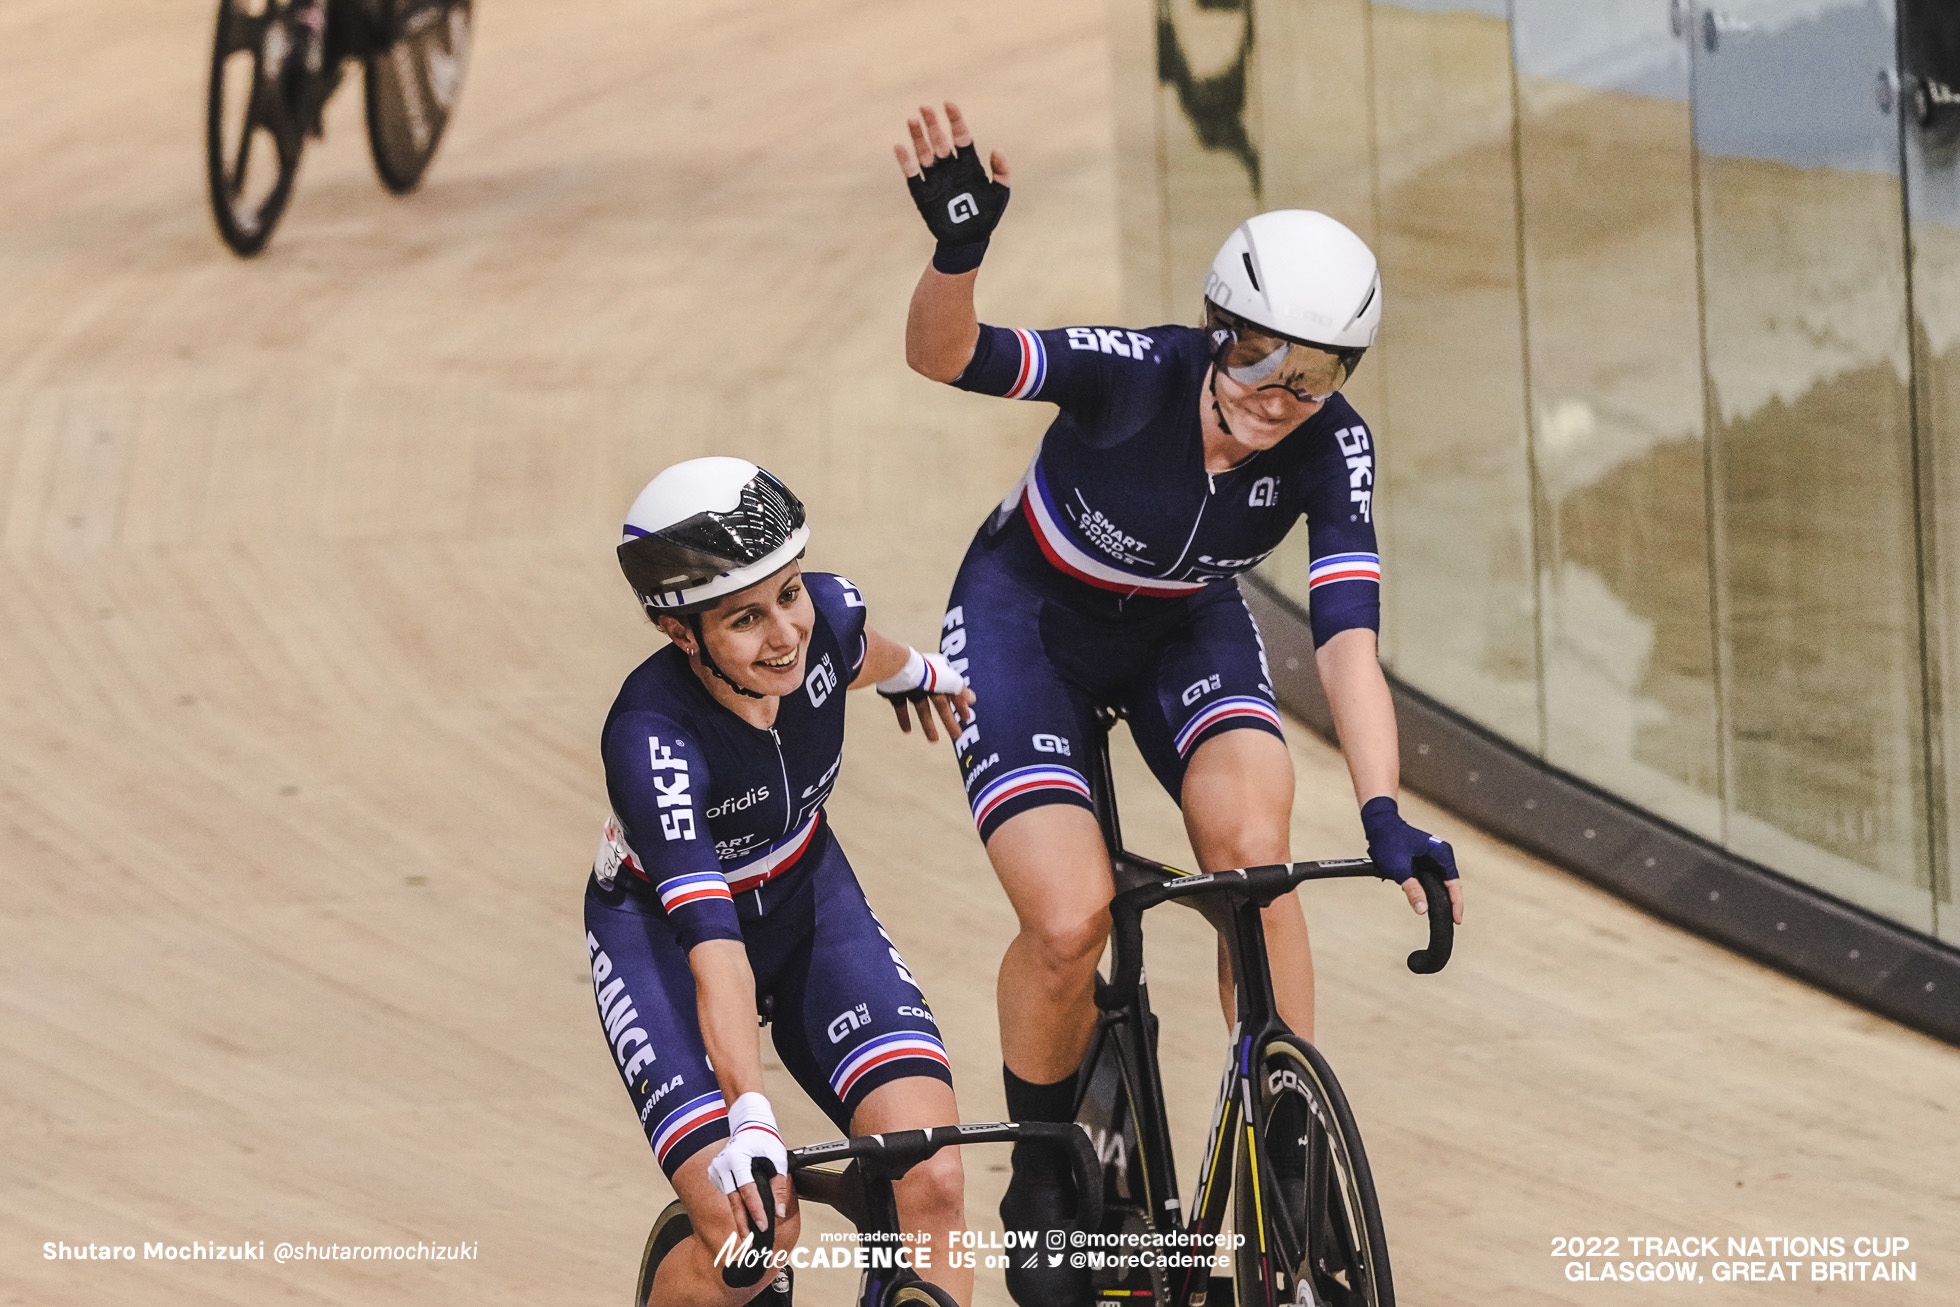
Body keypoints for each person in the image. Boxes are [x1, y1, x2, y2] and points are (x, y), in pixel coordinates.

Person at [892, 104, 1466, 1303]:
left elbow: (1351, 647)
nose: (1281, 393)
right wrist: (957, 256)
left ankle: (1283, 1126)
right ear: (1217, 329)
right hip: (1027, 622)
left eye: (1317, 374)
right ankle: (1046, 1171)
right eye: (1259, 356)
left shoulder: (1329, 447)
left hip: (1178, 627)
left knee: (1255, 856)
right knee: (1069, 919)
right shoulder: (1134, 376)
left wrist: (1383, 812)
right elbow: (947, 358)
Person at [585, 457, 978, 1307]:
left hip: (805, 894)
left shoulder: (824, 618)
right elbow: (715, 949)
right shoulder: (651, 740)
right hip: (667, 932)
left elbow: (852, 644)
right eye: (743, 618)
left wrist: (915, 670)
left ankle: (848, 1188)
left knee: (934, 1180)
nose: (784, 634)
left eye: (788, 594)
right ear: (679, 631)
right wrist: (752, 1115)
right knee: (753, 1237)